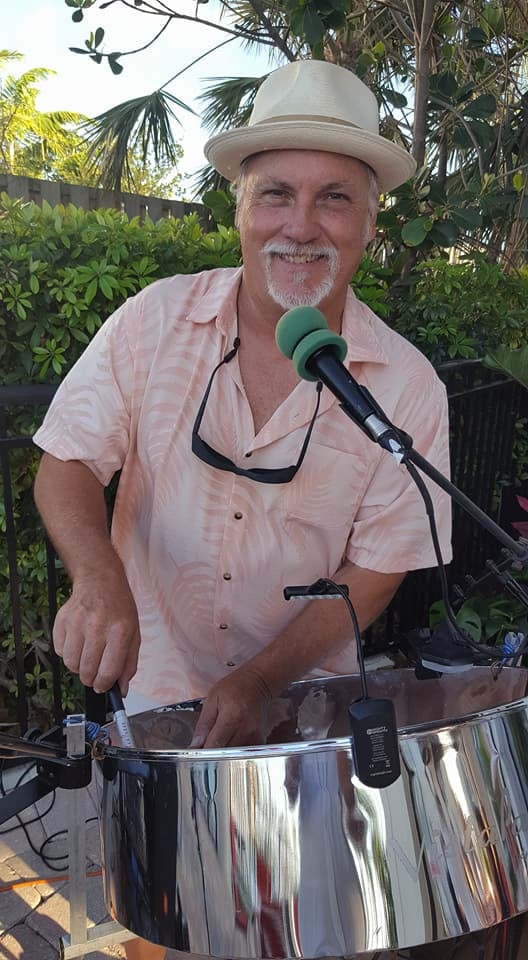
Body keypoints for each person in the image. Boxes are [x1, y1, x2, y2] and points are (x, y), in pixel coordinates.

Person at [33, 59, 452, 960]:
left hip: (307, 707)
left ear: (369, 223)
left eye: (334, 198)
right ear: (239, 210)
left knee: (307, 927)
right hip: (159, 695)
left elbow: (379, 567)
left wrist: (261, 680)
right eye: (276, 195)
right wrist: (97, 577)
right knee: (172, 926)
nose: (300, 226)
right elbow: (65, 459)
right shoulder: (152, 321)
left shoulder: (410, 386)